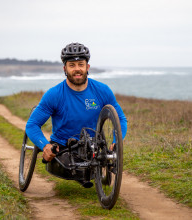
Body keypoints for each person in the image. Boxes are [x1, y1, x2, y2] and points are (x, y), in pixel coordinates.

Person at [26, 42, 127, 187]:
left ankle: (88, 175)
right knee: (70, 166)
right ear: (65, 69)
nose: (77, 69)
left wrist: (116, 141)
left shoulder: (102, 91)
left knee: (92, 163)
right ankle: (81, 175)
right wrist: (45, 146)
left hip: (92, 145)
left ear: (87, 67)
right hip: (63, 146)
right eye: (72, 65)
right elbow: (32, 124)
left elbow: (121, 119)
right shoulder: (54, 94)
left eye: (81, 64)